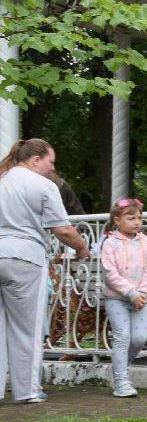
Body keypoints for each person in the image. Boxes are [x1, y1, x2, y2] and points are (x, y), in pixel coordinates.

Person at [0, 139, 89, 402]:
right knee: (27, 327)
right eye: (51, 162)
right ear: (36, 159)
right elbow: (62, 229)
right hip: (25, 260)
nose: (52, 168)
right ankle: (27, 391)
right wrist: (82, 248)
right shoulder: (43, 185)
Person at [99, 197, 147, 399]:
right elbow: (109, 272)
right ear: (117, 220)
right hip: (117, 299)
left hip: (141, 299)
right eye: (131, 218)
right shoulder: (110, 243)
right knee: (122, 338)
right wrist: (130, 293)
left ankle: (120, 367)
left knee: (139, 338)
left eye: (139, 218)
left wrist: (141, 294)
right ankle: (121, 380)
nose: (137, 222)